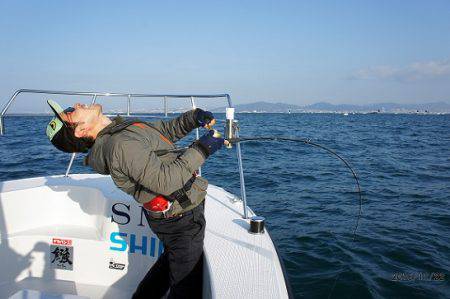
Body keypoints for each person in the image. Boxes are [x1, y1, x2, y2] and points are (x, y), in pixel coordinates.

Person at [45, 100, 224, 298]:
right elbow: (166, 181)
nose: (77, 105)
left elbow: (163, 132)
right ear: (80, 130)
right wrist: (203, 148)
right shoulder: (120, 145)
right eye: (71, 112)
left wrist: (193, 118)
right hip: (180, 217)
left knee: (172, 259)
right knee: (186, 285)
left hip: (175, 212)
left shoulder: (120, 130)